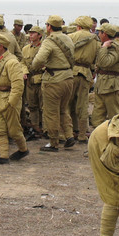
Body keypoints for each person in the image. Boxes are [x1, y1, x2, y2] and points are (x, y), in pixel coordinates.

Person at [30, 15, 76, 151]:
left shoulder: (49, 41)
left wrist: (35, 67)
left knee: (51, 112)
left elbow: (38, 60)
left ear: (49, 26)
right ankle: (69, 135)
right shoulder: (68, 38)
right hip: (68, 77)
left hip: (53, 80)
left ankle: (53, 142)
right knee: (63, 109)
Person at [0, 33, 29, 164]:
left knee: (14, 130)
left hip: (8, 98)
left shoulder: (12, 62)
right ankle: (3, 156)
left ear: (0, 46)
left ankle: (23, 149)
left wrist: (11, 102)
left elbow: (18, 85)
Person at [68, 16, 100, 142]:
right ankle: (82, 134)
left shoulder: (71, 37)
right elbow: (97, 59)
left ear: (79, 26)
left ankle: (70, 132)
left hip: (71, 72)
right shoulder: (95, 39)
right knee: (83, 104)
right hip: (86, 73)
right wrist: (93, 71)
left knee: (67, 104)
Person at [91, 24, 119, 127]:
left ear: (104, 34)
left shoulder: (115, 48)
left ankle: (116, 136)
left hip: (111, 86)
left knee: (114, 117)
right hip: (102, 84)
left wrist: (104, 48)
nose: (98, 35)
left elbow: (105, 62)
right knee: (97, 117)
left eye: (100, 32)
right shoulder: (105, 46)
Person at [21, 26, 45, 137]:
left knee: (43, 106)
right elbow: (22, 62)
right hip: (30, 81)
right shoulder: (25, 49)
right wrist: (24, 71)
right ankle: (35, 128)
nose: (30, 35)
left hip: (42, 80)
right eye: (30, 33)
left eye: (33, 33)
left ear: (39, 35)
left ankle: (45, 128)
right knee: (32, 106)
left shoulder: (44, 48)